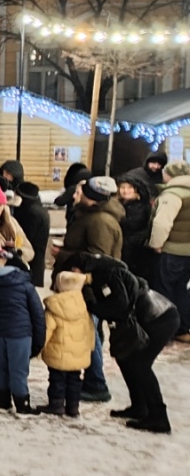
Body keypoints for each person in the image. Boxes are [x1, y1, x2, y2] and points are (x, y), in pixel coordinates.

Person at [65, 252, 179, 433]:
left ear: (79, 268)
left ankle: (159, 417)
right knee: (125, 359)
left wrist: (92, 307)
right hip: (152, 317)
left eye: (73, 271)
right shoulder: (101, 273)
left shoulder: (106, 274)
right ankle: (140, 407)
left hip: (160, 318)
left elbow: (119, 307)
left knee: (140, 365)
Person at [0, 252, 44, 414]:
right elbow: (38, 315)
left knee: (2, 367)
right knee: (18, 370)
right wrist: (38, 342)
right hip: (19, 335)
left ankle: (3, 402)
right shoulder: (26, 287)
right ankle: (22, 405)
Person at [39, 271, 95, 417]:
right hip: (78, 353)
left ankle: (56, 404)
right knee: (75, 380)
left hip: (57, 352)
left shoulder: (54, 306)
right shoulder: (83, 305)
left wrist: (38, 347)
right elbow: (89, 329)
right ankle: (73, 407)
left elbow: (47, 330)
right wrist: (89, 347)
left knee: (57, 380)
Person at [150, 160, 190, 344]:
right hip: (188, 252)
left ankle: (165, 332)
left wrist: (156, 244)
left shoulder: (173, 194)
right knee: (181, 290)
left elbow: (162, 223)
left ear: (169, 175)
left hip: (172, 250)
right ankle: (183, 329)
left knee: (163, 290)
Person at [117, 172, 158, 289]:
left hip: (136, 253)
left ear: (137, 190)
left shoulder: (139, 207)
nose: (125, 191)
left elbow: (132, 226)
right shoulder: (122, 204)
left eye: (129, 188)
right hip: (129, 249)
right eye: (122, 187)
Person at [11, 180, 52, 288]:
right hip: (37, 261)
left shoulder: (30, 212)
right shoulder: (38, 209)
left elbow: (26, 237)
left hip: (31, 261)